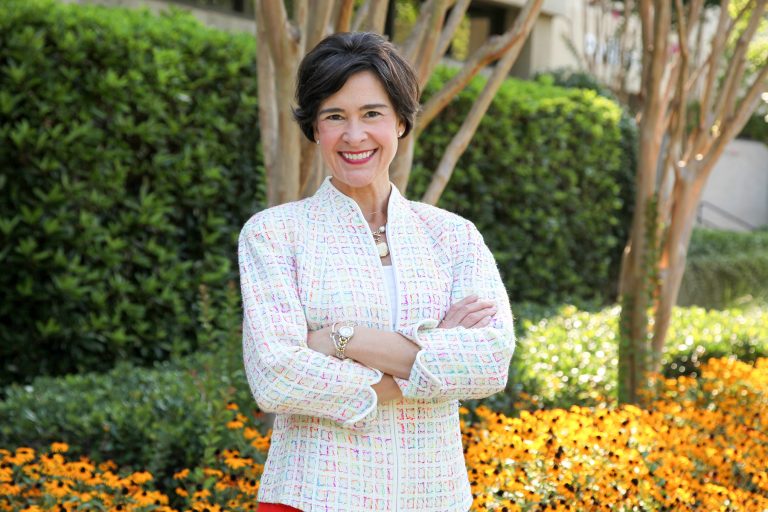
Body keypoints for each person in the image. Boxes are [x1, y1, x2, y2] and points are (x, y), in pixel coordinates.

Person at [238, 32, 515, 512]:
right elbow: (276, 376)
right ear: (314, 129)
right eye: (334, 117)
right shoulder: (274, 235)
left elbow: (489, 360)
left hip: (432, 496)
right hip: (312, 496)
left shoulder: (452, 236)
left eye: (372, 114)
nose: (354, 135)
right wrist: (431, 355)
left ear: (401, 122)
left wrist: (341, 338)